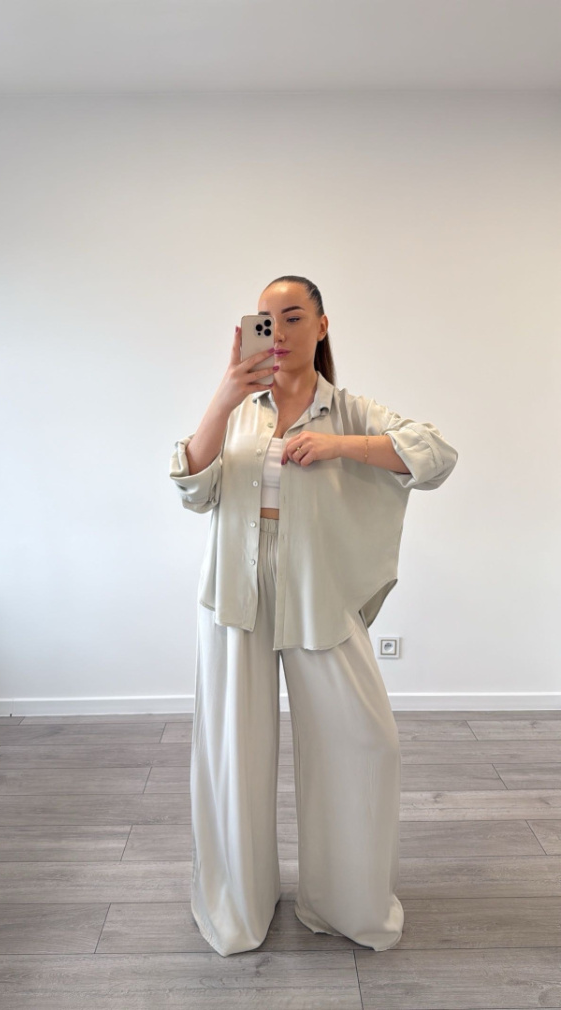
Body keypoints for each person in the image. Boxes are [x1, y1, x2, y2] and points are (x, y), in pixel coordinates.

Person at [170, 275, 458, 957]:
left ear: (322, 326)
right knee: (232, 753)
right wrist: (224, 394)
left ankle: (344, 903)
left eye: (293, 317)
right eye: (265, 320)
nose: (279, 331)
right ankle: (239, 903)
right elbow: (192, 487)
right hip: (234, 594)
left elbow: (435, 455)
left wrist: (340, 447)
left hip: (316, 591)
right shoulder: (239, 409)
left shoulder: (348, 410)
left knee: (364, 743)